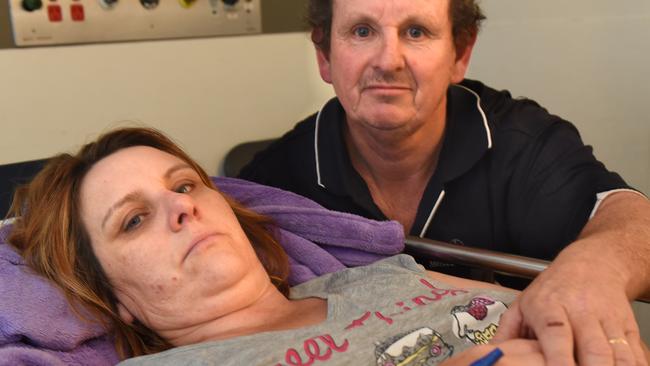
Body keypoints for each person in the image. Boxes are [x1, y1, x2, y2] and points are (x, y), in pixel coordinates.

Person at [238, 0, 650, 365]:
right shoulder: (276, 183)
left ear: (461, 53)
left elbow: (631, 220)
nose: (388, 60)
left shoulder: (518, 142)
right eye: (362, 31)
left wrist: (595, 267)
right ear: (324, 55)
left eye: (416, 32)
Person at [7, 127, 551, 365]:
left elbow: (553, 305)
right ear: (114, 295)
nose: (180, 206)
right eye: (133, 220)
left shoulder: (382, 275)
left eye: (185, 184)